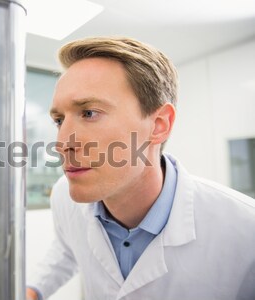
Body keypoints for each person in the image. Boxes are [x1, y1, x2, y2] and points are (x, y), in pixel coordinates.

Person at [26, 37, 255, 300]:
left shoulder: (246, 232)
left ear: (158, 125)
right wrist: (32, 290)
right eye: (59, 120)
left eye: (89, 113)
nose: (61, 144)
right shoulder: (66, 196)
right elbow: (67, 249)